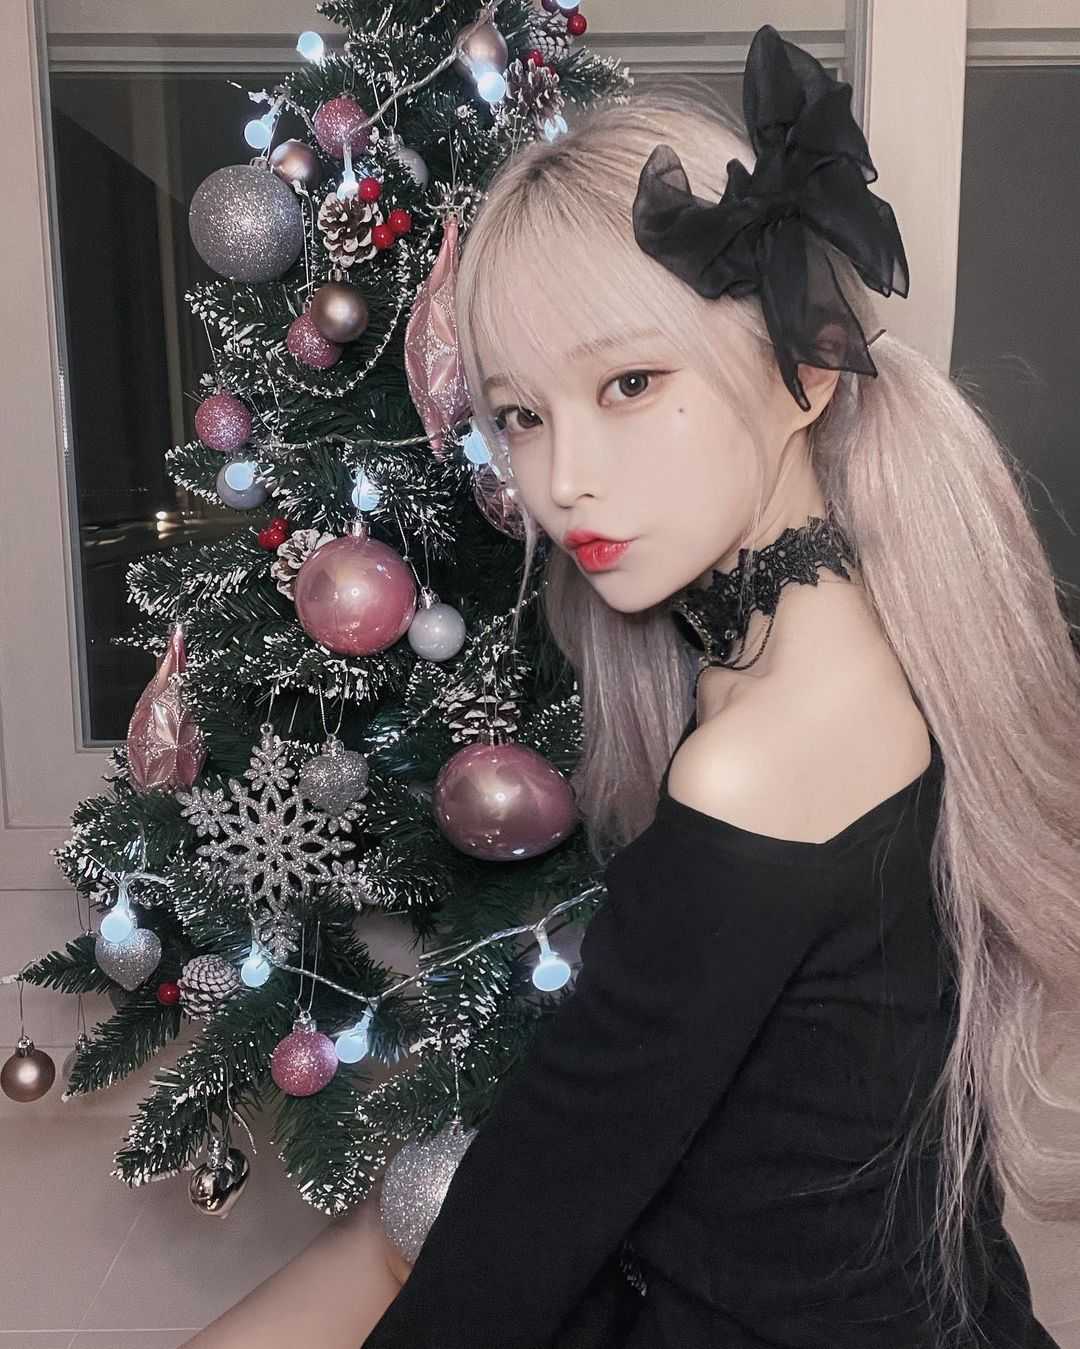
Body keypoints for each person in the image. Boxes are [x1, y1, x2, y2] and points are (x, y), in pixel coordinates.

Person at [186, 25, 1080, 1349]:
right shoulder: (847, 634)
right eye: (523, 416)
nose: (562, 482)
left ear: (803, 369)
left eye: (629, 383)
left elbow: (534, 1217)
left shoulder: (765, 752)